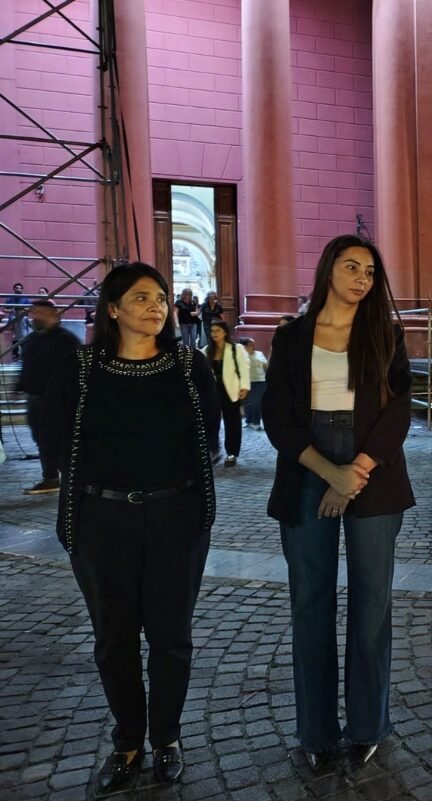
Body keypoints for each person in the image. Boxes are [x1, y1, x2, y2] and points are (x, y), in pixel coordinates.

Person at [40, 262, 219, 794]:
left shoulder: (188, 366)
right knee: (113, 639)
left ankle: (166, 737)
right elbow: (54, 434)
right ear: (113, 309)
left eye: (161, 298)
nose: (155, 306)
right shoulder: (80, 368)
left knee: (171, 638)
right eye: (141, 298)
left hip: (174, 518)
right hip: (101, 520)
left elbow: (206, 433)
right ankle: (127, 741)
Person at [262, 235, 414, 774]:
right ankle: (317, 731)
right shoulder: (292, 337)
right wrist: (331, 473)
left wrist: (357, 471)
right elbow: (276, 416)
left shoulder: (386, 335)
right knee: (310, 603)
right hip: (308, 465)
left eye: (370, 272)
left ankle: (368, 726)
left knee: (372, 604)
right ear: (329, 269)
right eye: (351, 267)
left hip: (374, 467)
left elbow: (399, 410)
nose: (361, 279)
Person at [17, 299, 79, 495]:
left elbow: (75, 371)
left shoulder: (66, 340)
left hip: (56, 401)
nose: (36, 317)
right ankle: (51, 477)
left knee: (54, 439)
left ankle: (63, 477)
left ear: (54, 316)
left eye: (41, 313)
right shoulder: (32, 339)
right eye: (34, 313)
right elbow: (28, 365)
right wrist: (20, 386)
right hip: (35, 398)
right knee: (40, 438)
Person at [202, 321, 249, 467]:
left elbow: (244, 367)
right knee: (211, 421)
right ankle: (214, 450)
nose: (214, 334)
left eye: (217, 330)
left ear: (224, 332)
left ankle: (232, 452)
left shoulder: (236, 349)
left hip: (230, 389)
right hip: (212, 390)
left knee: (232, 422)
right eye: (212, 331)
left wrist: (244, 387)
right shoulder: (206, 351)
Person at [240, 337, 268, 430]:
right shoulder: (241, 355)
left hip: (259, 381)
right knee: (247, 402)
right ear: (244, 346)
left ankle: (256, 422)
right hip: (246, 381)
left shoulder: (259, 353)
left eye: (253, 344)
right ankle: (248, 421)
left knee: (256, 403)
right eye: (250, 344)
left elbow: (265, 365)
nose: (253, 346)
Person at [5, 281, 30, 359]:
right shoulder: (9, 299)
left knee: (23, 336)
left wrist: (23, 309)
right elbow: (4, 309)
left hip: (22, 319)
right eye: (17, 288)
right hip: (12, 319)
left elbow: (29, 309)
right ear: (14, 289)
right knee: (14, 337)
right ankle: (15, 354)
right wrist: (11, 310)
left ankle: (24, 354)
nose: (18, 289)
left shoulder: (25, 299)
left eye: (20, 288)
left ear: (22, 289)